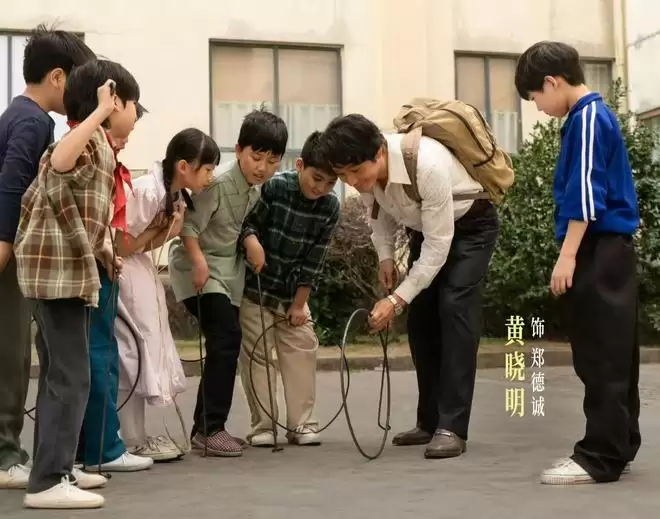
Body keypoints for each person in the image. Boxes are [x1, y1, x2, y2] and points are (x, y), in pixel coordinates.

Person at [318, 114, 500, 460]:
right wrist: (386, 258)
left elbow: (438, 248)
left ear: (378, 153)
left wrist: (396, 299)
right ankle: (428, 422)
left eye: (356, 171)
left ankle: (452, 427)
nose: (353, 182)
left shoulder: (427, 165)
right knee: (421, 320)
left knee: (455, 309)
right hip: (425, 230)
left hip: (471, 229)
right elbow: (379, 215)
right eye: (343, 175)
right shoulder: (369, 175)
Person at [13, 58, 140, 509]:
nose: (135, 115)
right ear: (113, 100)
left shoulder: (100, 146)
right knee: (71, 377)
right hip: (57, 277)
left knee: (60, 375)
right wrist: (100, 112)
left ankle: (58, 468)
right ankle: (48, 481)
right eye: (132, 104)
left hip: (64, 273)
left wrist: (104, 252)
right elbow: (61, 161)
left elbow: (81, 212)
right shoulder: (86, 140)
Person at [515, 41, 640, 485]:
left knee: (600, 354)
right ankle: (619, 444)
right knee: (616, 354)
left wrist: (567, 256)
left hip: (597, 247)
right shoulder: (596, 115)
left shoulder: (586, 118)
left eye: (535, 97)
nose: (538, 107)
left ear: (552, 83)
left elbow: (585, 194)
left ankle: (599, 456)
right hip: (612, 248)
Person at [0, 25, 95, 491]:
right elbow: (12, 186)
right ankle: (4, 455)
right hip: (9, 252)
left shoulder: (20, 115)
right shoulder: (33, 121)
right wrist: (4, 248)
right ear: (57, 77)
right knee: (11, 354)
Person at [168, 108, 287, 457]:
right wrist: (199, 263)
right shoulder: (218, 185)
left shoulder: (253, 191)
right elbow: (189, 228)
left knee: (225, 342)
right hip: (200, 272)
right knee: (226, 338)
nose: (262, 167)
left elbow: (238, 226)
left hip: (226, 275)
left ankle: (205, 428)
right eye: (256, 157)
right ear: (238, 150)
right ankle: (210, 429)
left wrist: (250, 241)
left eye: (272, 160)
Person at [115, 128, 220, 462]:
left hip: (140, 270)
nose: (209, 177)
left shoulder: (173, 196)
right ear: (184, 166)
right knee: (132, 352)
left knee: (144, 349)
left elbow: (143, 244)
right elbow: (122, 244)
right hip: (125, 273)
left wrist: (168, 230)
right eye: (207, 169)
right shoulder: (147, 191)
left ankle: (136, 437)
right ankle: (130, 439)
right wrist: (163, 228)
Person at [239, 130, 340, 447]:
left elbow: (315, 260)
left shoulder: (329, 207)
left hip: (293, 292)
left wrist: (299, 305)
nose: (321, 188)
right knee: (257, 356)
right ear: (300, 165)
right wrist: (252, 241)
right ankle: (263, 426)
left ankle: (302, 424)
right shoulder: (274, 187)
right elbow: (246, 222)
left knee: (302, 347)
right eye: (316, 178)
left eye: (330, 183)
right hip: (256, 287)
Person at [75, 104, 155, 474]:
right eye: (122, 132)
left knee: (95, 359)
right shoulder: (88, 154)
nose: (124, 141)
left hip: (99, 264)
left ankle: (89, 447)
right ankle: (103, 447)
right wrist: (106, 249)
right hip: (93, 268)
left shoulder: (92, 154)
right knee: (99, 358)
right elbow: (90, 219)